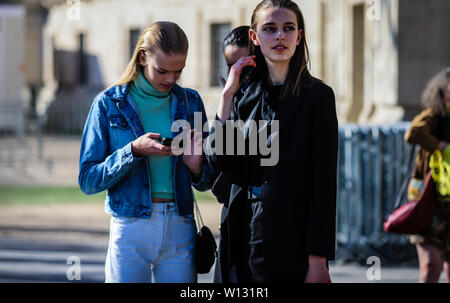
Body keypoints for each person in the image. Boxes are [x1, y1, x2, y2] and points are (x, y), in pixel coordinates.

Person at [205, 0, 338, 283]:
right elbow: (221, 161)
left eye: (288, 28)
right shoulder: (244, 95)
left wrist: (318, 260)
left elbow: (323, 183)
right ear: (254, 37)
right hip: (241, 233)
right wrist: (227, 96)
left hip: (292, 238)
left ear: (299, 36)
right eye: (270, 28)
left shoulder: (318, 97)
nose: (280, 36)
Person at [78, 21, 213, 283]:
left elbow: (206, 181)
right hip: (130, 227)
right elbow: (88, 180)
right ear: (142, 57)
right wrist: (133, 151)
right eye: (162, 70)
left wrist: (196, 165)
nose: (171, 79)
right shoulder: (107, 103)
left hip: (180, 226)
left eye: (179, 71)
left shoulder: (191, 101)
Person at [211, 25, 251, 283]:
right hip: (234, 219)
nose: (236, 73)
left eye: (243, 65)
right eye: (230, 66)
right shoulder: (232, 100)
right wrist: (226, 98)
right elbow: (217, 160)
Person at [405, 66, 450, 283]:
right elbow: (412, 133)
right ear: (441, 92)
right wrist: (439, 145)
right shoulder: (433, 116)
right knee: (431, 266)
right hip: (427, 200)